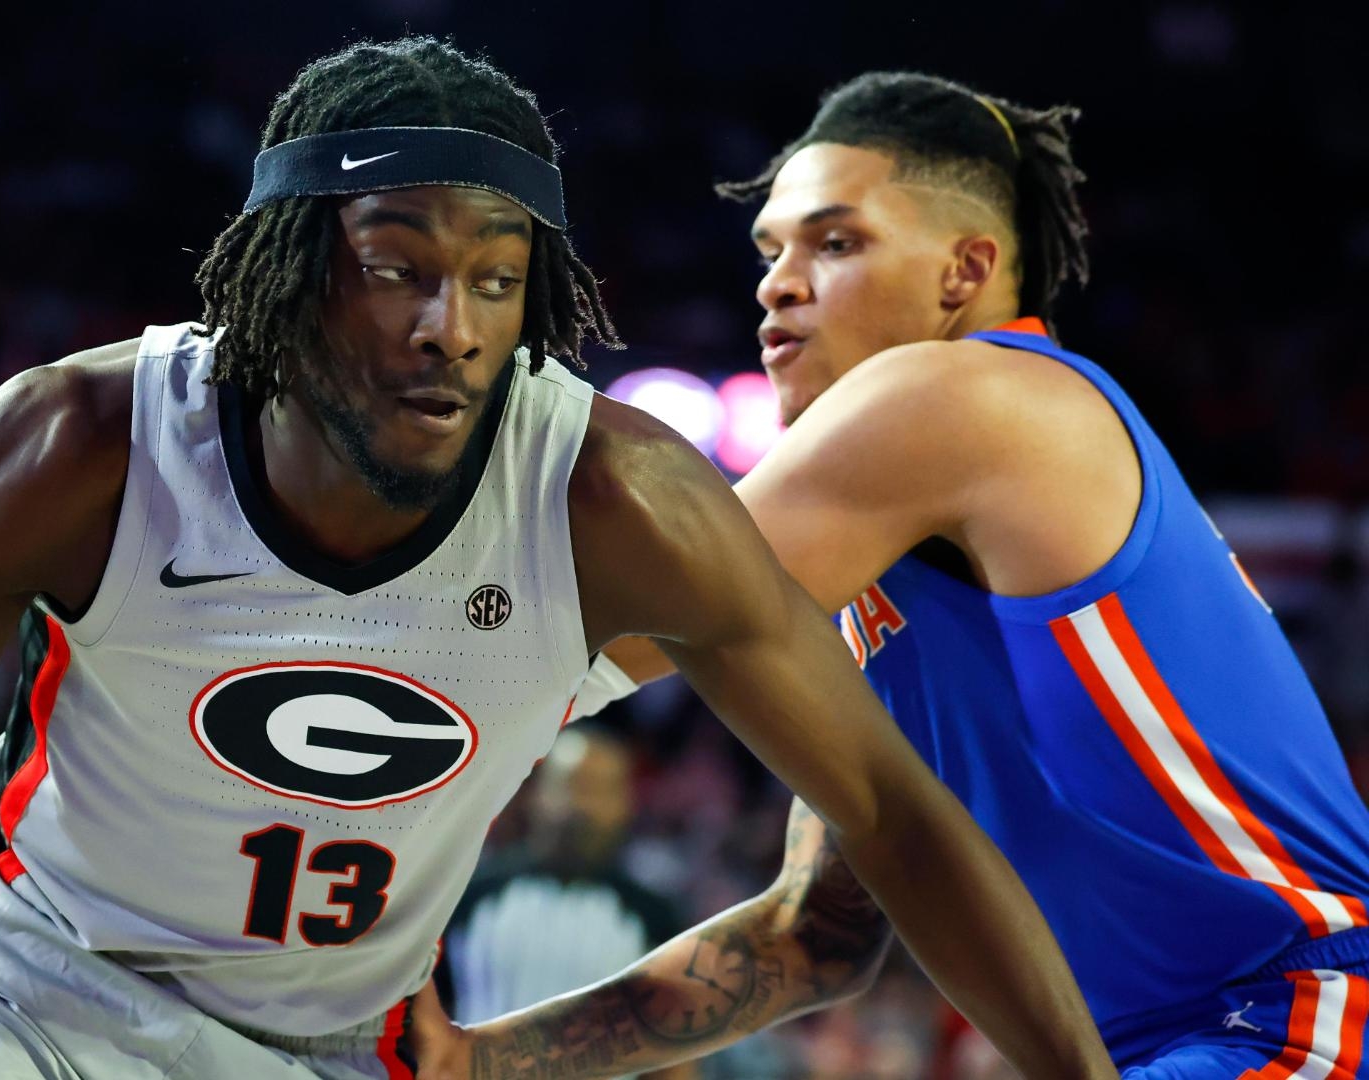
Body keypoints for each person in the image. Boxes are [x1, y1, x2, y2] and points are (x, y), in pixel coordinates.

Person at [0, 43, 1114, 1079]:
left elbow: (895, 821)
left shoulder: (615, 504)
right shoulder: (76, 448)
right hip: (41, 995)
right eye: (397, 268)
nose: (453, 326)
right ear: (294, 273)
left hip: (338, 1046)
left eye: (498, 280)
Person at [410, 72, 1369, 1080]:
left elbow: (589, 633)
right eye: (770, 251)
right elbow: (809, 936)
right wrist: (469, 1063)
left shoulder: (959, 393)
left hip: (1302, 1014)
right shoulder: (883, 568)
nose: (778, 284)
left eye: (835, 243)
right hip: (1203, 1037)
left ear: (965, 271)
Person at [437, 727, 694, 1080]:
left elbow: (672, 1048)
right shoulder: (468, 897)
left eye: (601, 791)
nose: (582, 807)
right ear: (535, 793)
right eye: (572, 785)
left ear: (626, 803)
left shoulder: (654, 916)